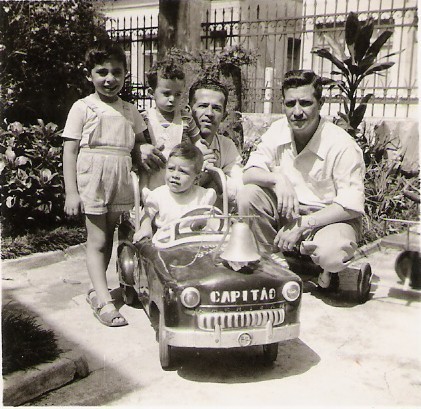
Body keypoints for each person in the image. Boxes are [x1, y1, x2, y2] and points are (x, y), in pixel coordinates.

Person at [238, 69, 366, 289]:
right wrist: (277, 179)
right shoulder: (278, 130)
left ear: (321, 103)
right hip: (289, 212)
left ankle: (324, 269)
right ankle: (273, 263)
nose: (297, 112)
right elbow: (249, 173)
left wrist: (303, 225)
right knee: (248, 195)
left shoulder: (342, 144)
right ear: (283, 105)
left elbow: (351, 206)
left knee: (332, 254)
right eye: (290, 104)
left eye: (305, 103)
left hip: (328, 220)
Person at [62, 40, 148, 327]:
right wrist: (72, 193)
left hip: (119, 179)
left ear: (125, 74)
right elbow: (70, 152)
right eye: (102, 72)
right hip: (93, 180)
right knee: (97, 240)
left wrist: (145, 152)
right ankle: (104, 302)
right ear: (89, 75)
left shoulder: (130, 110)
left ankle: (98, 291)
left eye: (116, 72)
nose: (110, 79)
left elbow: (140, 145)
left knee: (108, 238)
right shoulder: (83, 107)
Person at [133, 142, 217, 242]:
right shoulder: (159, 195)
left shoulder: (203, 196)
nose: (175, 175)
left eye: (183, 171)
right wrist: (145, 228)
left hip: (194, 242)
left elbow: (210, 216)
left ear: (196, 178)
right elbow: (147, 213)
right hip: (166, 241)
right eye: (171, 169)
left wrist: (209, 223)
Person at [139, 60, 201, 190]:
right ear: (151, 93)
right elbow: (137, 144)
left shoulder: (186, 118)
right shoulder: (144, 119)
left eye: (177, 94)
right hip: (151, 177)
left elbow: (198, 143)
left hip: (178, 178)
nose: (172, 99)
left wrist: (204, 155)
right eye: (166, 94)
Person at [189, 78, 243, 208]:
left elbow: (240, 192)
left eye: (216, 108)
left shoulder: (226, 146)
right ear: (189, 110)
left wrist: (214, 173)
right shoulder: (175, 139)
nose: (209, 113)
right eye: (203, 106)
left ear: (224, 115)